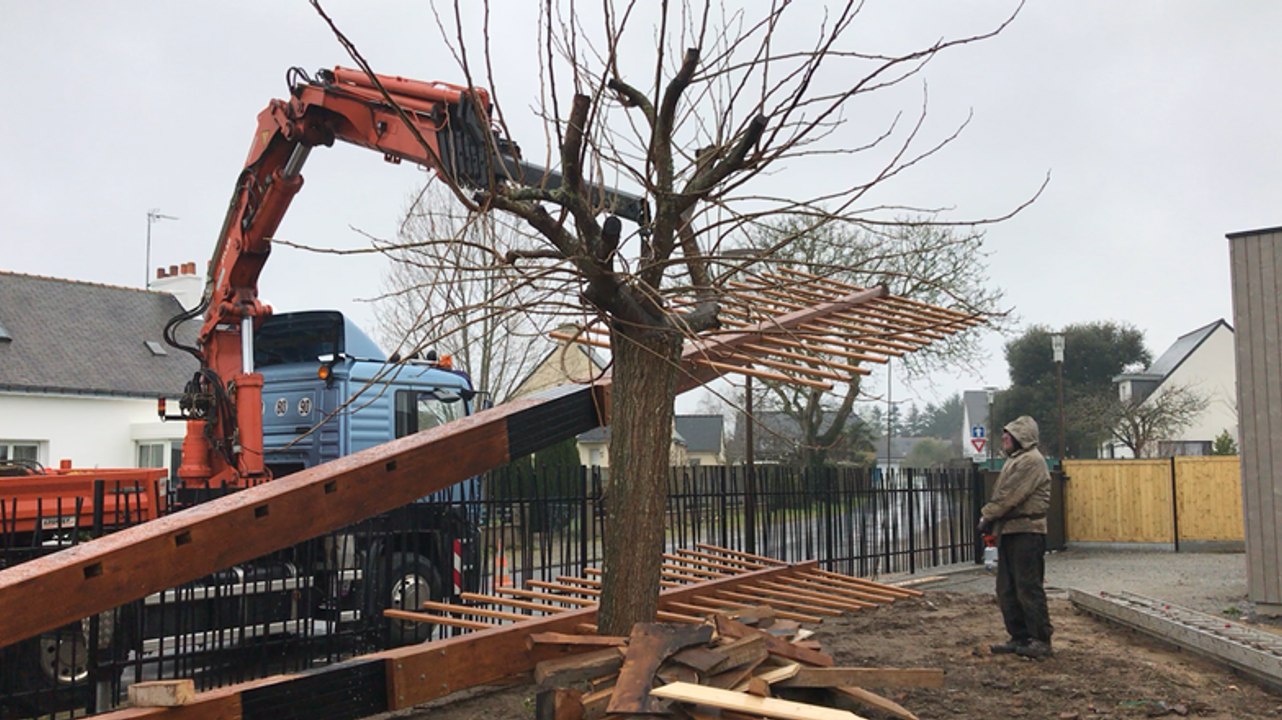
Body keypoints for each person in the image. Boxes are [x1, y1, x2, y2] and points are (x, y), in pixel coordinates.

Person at [979, 415, 1053, 659]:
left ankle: (1040, 639)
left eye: (1009, 434)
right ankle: (1019, 636)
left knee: (1027, 586)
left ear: (1022, 437)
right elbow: (1004, 495)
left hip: (1027, 531)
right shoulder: (1015, 460)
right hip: (1010, 530)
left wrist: (987, 515)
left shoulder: (1031, 461)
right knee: (1007, 589)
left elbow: (1010, 495)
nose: (1004, 438)